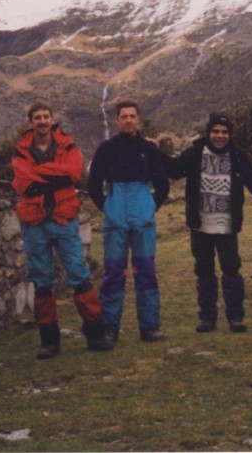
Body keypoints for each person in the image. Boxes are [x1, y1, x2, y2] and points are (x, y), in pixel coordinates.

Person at [11, 102, 113, 359]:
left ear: (52, 119)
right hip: (34, 221)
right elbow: (24, 182)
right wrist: (57, 177)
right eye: (37, 118)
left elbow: (74, 172)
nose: (42, 121)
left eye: (46, 116)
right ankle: (49, 341)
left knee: (79, 274)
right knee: (41, 280)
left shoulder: (68, 145)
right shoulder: (21, 149)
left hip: (63, 218)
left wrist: (39, 176)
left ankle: (96, 333)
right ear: (30, 122)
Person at [165, 112, 252, 333]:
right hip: (200, 225)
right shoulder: (195, 153)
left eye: (224, 132)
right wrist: (154, 153)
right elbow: (174, 169)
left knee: (231, 269)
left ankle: (236, 317)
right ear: (209, 132)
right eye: (215, 131)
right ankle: (207, 318)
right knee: (203, 271)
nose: (219, 136)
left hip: (227, 226)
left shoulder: (238, 156)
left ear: (230, 134)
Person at [87, 101, 170, 343]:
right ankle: (110, 327)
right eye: (124, 116)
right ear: (117, 120)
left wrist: (150, 207)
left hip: (142, 215)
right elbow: (93, 183)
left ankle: (150, 326)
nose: (128, 120)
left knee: (146, 270)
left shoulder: (149, 149)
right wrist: (108, 208)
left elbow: (163, 183)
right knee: (113, 272)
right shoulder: (107, 148)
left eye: (133, 116)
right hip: (116, 216)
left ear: (139, 119)